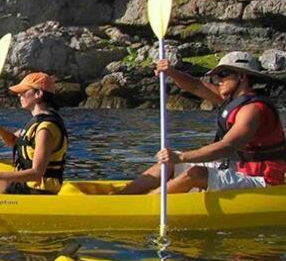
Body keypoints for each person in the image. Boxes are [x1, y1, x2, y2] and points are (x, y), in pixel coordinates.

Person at [117, 51, 286, 194]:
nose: (218, 79)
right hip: (236, 169)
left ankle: (147, 204)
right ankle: (122, 198)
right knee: (168, 163)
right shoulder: (230, 99)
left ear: (242, 76)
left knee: (197, 173)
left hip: (263, 181)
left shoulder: (253, 109)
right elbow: (196, 86)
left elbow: (228, 146)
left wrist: (181, 157)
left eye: (223, 74)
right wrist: (170, 72)